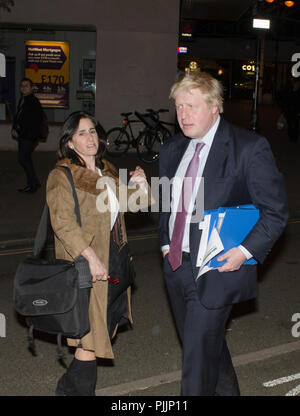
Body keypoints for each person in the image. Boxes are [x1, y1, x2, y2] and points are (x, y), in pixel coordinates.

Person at [159, 71, 289, 396]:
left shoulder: (248, 148)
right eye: (178, 107)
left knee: (195, 363)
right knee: (208, 349)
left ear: (215, 106)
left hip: (215, 267)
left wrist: (244, 252)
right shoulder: (173, 149)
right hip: (175, 266)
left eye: (191, 106)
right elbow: (168, 203)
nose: (183, 115)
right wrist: (165, 243)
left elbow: (275, 211)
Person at [46, 111, 151, 396]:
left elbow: (134, 204)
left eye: (92, 131)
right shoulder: (62, 176)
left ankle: (68, 388)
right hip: (87, 265)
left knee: (108, 329)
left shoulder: (106, 169)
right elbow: (63, 224)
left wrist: (141, 184)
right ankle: (72, 392)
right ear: (70, 142)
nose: (90, 137)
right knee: (90, 339)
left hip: (115, 259)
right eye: (81, 133)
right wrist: (91, 258)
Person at [11, 77, 43, 193]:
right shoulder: (23, 99)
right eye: (22, 85)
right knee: (26, 159)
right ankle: (34, 183)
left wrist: (19, 131)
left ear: (31, 88)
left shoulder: (32, 101)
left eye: (26, 85)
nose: (24, 87)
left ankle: (32, 184)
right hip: (23, 135)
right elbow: (18, 116)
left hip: (29, 136)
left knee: (23, 159)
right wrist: (14, 128)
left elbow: (32, 121)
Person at [279, 76, 300, 143]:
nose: (297, 85)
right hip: (289, 110)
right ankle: (291, 136)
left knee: (295, 124)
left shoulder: (298, 92)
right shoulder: (289, 91)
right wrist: (284, 110)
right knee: (290, 124)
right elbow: (285, 101)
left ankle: (294, 137)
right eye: (296, 83)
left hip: (295, 111)